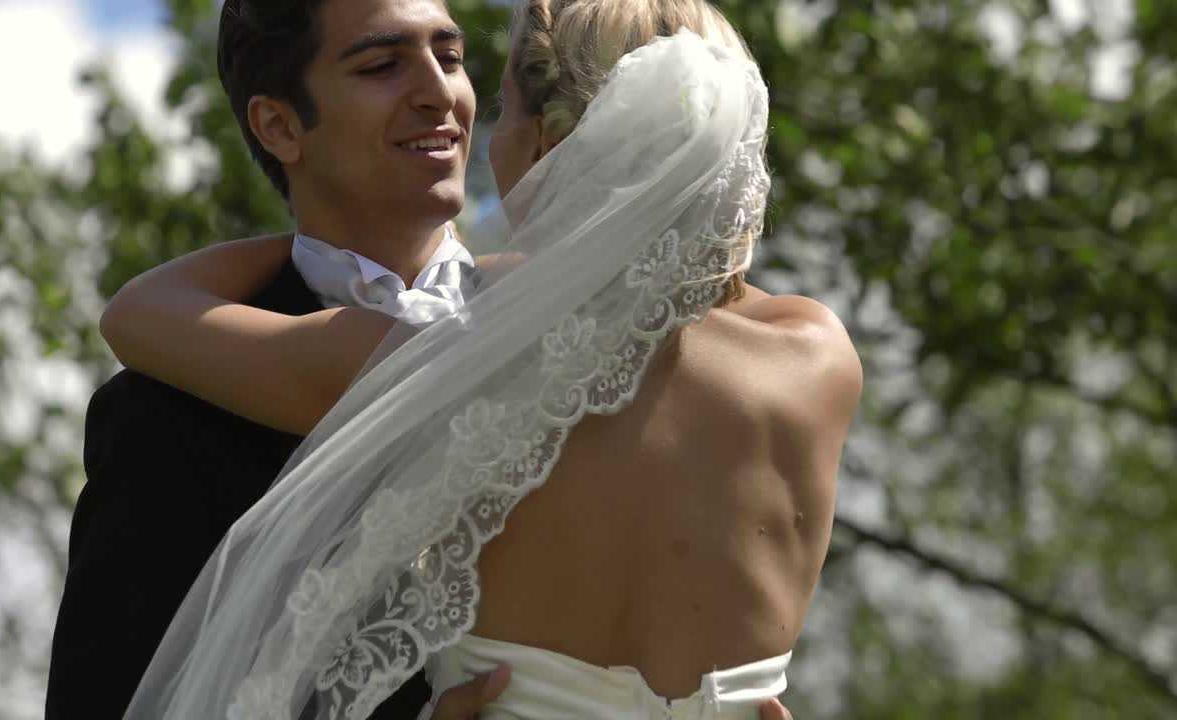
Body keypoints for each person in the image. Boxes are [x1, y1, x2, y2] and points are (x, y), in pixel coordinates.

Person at [112, 1, 850, 719]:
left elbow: (138, 311)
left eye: (487, 91)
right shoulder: (815, 356)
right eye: (381, 65)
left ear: (551, 146)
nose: (451, 104)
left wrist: (291, 238)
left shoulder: (445, 348)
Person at [45, 0, 503, 717]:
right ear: (279, 125)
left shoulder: (574, 331)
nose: (439, 92)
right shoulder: (162, 415)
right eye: (383, 65)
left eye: (449, 58)